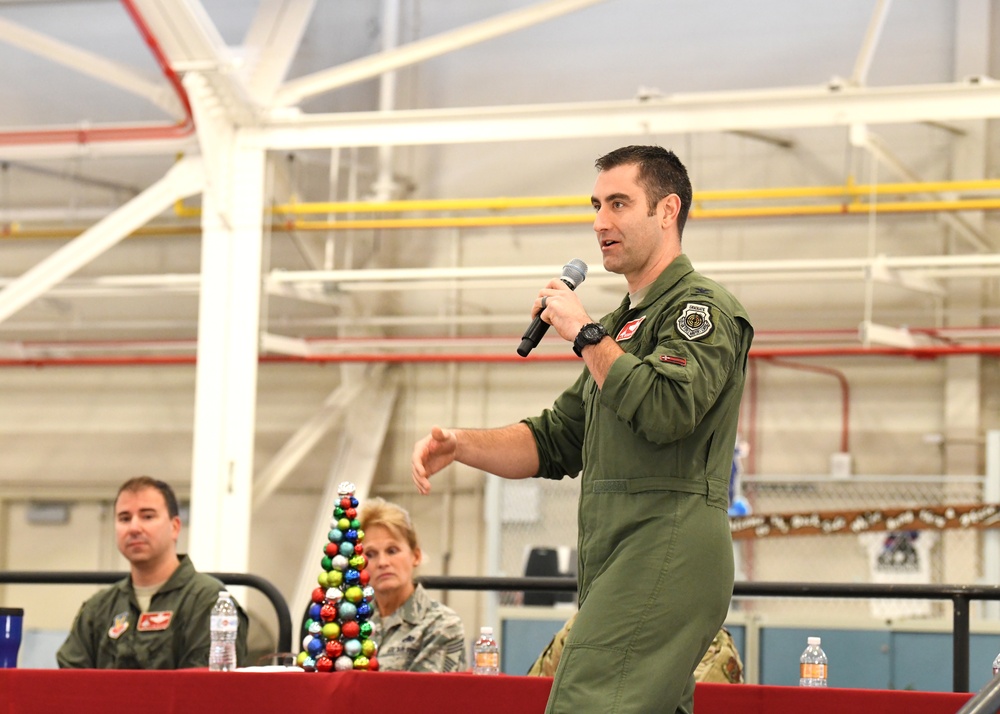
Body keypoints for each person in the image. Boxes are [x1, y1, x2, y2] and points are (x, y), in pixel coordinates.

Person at [411, 145, 753, 713]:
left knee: (585, 702)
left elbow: (669, 408)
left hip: (667, 543)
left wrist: (585, 334)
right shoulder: (623, 325)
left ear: (667, 211)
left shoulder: (702, 309)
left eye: (619, 203)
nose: (600, 222)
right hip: (619, 548)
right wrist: (462, 444)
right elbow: (556, 438)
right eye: (596, 205)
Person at [57, 476, 249, 669]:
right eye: (124, 518)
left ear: (175, 527)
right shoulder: (99, 609)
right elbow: (70, 685)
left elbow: (205, 688)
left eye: (147, 516)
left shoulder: (208, 602)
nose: (134, 528)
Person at [358, 496, 466, 672]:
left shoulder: (443, 625)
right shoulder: (352, 622)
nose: (382, 562)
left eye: (392, 551)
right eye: (370, 554)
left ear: (415, 556)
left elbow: (425, 696)